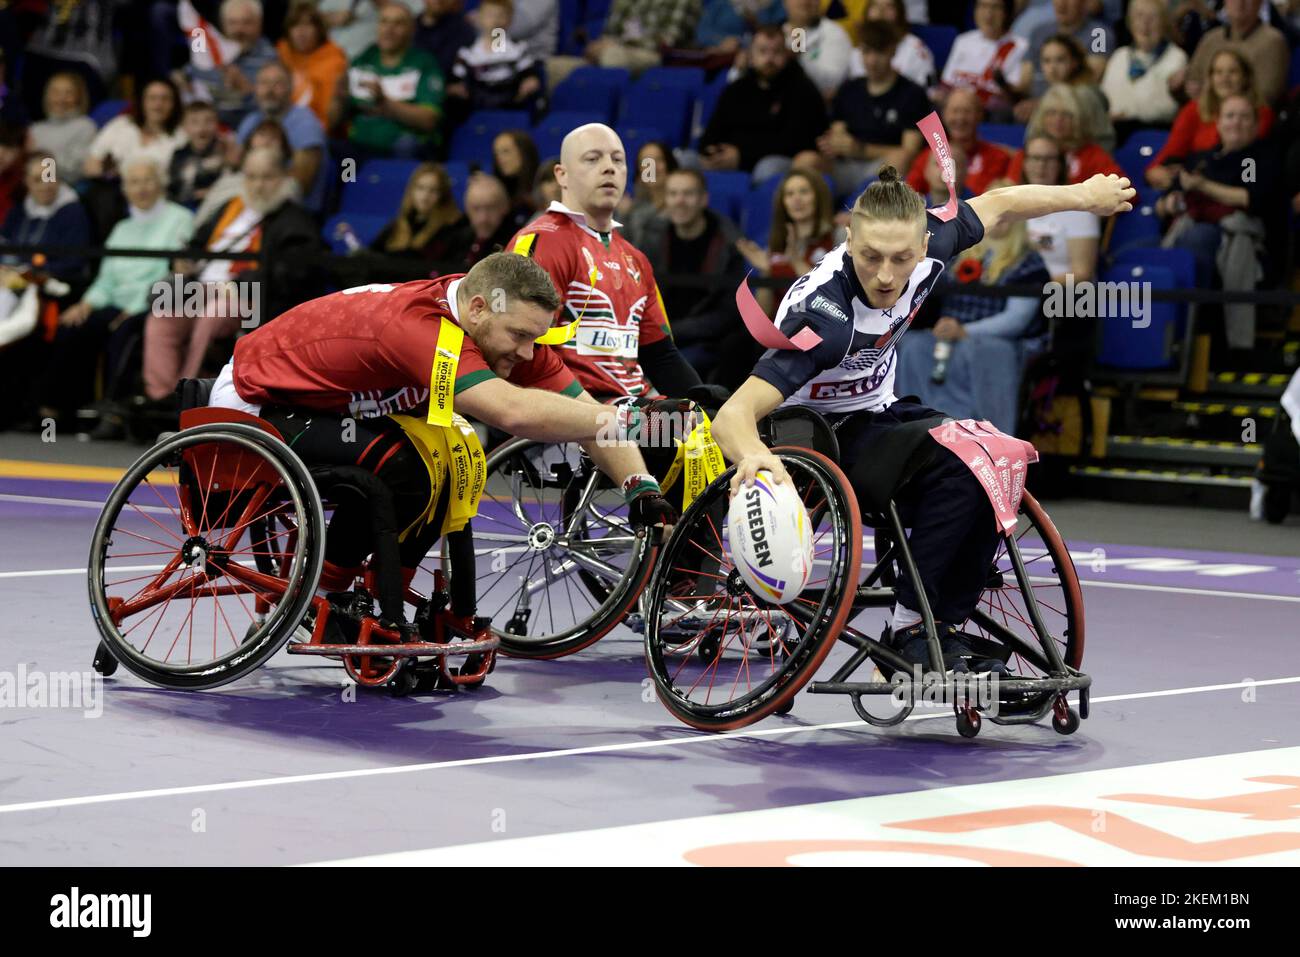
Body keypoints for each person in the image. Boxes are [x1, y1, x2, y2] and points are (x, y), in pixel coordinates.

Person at [710, 163, 1134, 674]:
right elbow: (733, 415)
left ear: (924, 242)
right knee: (962, 464)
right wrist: (755, 457)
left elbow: (1000, 202)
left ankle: (943, 623)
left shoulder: (936, 243)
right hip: (818, 435)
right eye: (870, 257)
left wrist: (1084, 195)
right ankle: (912, 628)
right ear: (848, 239)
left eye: (901, 258)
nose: (887, 275)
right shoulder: (824, 316)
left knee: (995, 454)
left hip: (879, 412)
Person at [205, 251, 681, 629]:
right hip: (256, 398)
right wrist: (631, 421)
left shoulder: (509, 331)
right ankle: (326, 592)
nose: (528, 351)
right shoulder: (420, 328)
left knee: (454, 460)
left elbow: (587, 417)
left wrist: (640, 484)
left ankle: (377, 592)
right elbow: (511, 412)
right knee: (402, 463)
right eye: (520, 335)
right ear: (478, 307)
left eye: (535, 338)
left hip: (333, 404)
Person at [506, 123, 702, 401]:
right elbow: (520, 348)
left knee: (705, 435)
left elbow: (660, 356)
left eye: (618, 160)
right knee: (669, 435)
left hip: (632, 414)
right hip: (569, 419)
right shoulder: (542, 241)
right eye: (593, 158)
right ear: (562, 175)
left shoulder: (636, 259)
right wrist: (600, 412)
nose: (609, 167)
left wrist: (707, 406)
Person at [33, 155, 194, 431]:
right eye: (134, 182)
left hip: (153, 303)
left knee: (124, 333)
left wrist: (131, 308)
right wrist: (87, 303)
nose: (141, 188)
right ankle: (58, 410)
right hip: (114, 301)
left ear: (160, 184)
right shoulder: (122, 228)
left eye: (147, 180)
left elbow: (173, 275)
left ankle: (115, 412)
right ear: (125, 189)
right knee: (74, 325)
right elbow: (106, 277)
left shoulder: (180, 219)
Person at [895, 186, 1051, 435]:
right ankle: (917, 427)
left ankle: (988, 433)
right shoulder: (960, 255)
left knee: (982, 350)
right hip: (949, 331)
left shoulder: (1029, 262)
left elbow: (1016, 320)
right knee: (913, 345)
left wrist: (964, 331)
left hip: (997, 338)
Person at [640, 168, 750, 386]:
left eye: (688, 194)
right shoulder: (652, 237)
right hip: (658, 336)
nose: (680, 201)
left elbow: (729, 312)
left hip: (706, 340)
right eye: (673, 194)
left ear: (703, 199)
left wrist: (673, 331)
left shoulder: (728, 243)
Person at [693, 24, 829, 183]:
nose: (769, 59)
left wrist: (741, 156)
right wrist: (712, 151)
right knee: (687, 161)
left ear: (786, 54)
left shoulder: (802, 89)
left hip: (780, 161)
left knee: (767, 169)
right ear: (750, 55)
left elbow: (794, 143)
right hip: (731, 158)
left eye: (776, 52)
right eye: (763, 51)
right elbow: (712, 131)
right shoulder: (736, 89)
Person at [815, 19, 928, 197]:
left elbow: (909, 151)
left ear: (893, 51)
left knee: (898, 160)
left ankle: (865, 214)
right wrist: (834, 143)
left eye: (879, 52)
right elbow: (838, 135)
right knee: (808, 161)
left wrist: (862, 149)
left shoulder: (912, 94)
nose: (872, 60)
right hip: (846, 166)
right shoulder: (848, 89)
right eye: (866, 52)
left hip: (883, 168)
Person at [1146, 48, 1274, 190]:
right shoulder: (1194, 109)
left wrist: (1202, 181)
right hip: (1194, 183)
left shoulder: (1260, 113)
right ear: (1211, 78)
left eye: (1233, 72)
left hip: (1237, 183)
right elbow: (1170, 154)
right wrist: (1158, 171)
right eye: (1218, 72)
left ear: (1245, 77)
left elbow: (1246, 158)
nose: (1225, 78)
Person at [331, 1, 446, 161]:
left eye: (398, 23)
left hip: (401, 150)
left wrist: (386, 105)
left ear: (411, 30)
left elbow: (429, 120)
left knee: (407, 147)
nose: (389, 30)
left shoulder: (424, 64)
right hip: (358, 150)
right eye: (384, 22)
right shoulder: (363, 60)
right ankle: (350, 184)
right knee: (336, 155)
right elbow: (333, 122)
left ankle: (396, 184)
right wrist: (338, 98)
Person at [236, 61, 328, 212]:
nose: (270, 90)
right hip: (251, 204)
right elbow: (235, 166)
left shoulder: (305, 122)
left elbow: (300, 185)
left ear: (291, 88)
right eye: (264, 83)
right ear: (255, 88)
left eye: (278, 84)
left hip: (294, 213)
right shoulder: (251, 120)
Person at [174, 0, 278, 127]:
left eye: (247, 23)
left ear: (259, 24)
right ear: (223, 25)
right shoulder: (210, 49)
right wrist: (181, 79)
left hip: (252, 128)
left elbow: (276, 108)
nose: (240, 30)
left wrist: (247, 91)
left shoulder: (270, 58)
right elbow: (192, 71)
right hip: (208, 128)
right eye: (233, 23)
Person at [1100, 0, 1187, 144]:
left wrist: (1128, 114)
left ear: (1163, 23)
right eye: (1139, 16)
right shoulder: (1119, 55)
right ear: (1130, 22)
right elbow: (1104, 98)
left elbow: (1168, 108)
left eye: (1152, 17)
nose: (1145, 23)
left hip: (1155, 134)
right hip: (1114, 133)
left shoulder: (1176, 57)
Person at [1018, 134, 1099, 284]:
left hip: (1062, 295)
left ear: (1061, 164)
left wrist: (1034, 285)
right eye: (1035, 158)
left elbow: (1083, 273)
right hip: (1014, 291)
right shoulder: (1012, 202)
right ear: (1024, 163)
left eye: (1049, 159)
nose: (1041, 166)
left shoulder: (1078, 209)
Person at [1175, 0, 1289, 106]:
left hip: (1245, 119)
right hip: (1202, 112)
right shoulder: (1211, 38)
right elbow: (1192, 80)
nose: (1239, 3)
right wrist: (1179, 87)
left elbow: (1267, 95)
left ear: (1259, 3)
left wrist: (1210, 95)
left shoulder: (1272, 41)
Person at [1006, 84, 1123, 184]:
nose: (1058, 120)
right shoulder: (1030, 153)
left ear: (1078, 119)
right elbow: (1009, 191)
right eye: (1051, 113)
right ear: (1041, 117)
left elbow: (1124, 190)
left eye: (1066, 114)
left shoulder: (1093, 155)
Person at [445, 0, 544, 118]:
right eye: (490, 15)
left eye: (501, 15)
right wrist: (455, 88)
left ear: (510, 20)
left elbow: (530, 73)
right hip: (477, 105)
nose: (495, 20)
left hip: (510, 104)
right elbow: (456, 79)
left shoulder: (518, 49)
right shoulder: (467, 53)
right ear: (478, 18)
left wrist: (530, 80)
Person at [902, 89, 1009, 197]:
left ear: (980, 115)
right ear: (944, 115)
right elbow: (908, 197)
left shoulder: (998, 157)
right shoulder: (930, 156)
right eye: (954, 111)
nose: (960, 118)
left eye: (967, 111)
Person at [939, 0, 1028, 118]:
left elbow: (1012, 97)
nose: (988, 14)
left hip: (990, 112)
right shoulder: (963, 40)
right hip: (956, 107)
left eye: (996, 7)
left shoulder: (1020, 46)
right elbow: (947, 84)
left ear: (1007, 12)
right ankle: (936, 138)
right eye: (983, 6)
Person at [584, 0, 702, 78]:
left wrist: (616, 45)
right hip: (626, 49)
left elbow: (668, 42)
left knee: (612, 56)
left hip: (659, 56)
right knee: (565, 65)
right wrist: (602, 44)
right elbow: (619, 32)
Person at [277, 1, 350, 127]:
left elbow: (331, 121)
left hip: (318, 130)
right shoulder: (282, 52)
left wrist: (338, 99)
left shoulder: (334, 60)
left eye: (308, 25)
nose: (301, 32)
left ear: (319, 30)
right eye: (295, 25)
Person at [848, 0, 937, 91]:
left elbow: (931, 90)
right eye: (875, 5)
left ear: (899, 13)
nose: (880, 11)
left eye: (889, 6)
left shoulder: (915, 48)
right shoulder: (857, 49)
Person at [28, 72, 97, 188]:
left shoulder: (85, 126)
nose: (61, 98)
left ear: (78, 97)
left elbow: (74, 171)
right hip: (33, 194)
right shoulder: (36, 129)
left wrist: (37, 154)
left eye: (68, 93)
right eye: (56, 92)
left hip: (67, 193)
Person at [437, 172, 517, 271]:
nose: (483, 218)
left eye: (490, 208)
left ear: (504, 207)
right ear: (467, 209)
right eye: (476, 208)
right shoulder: (456, 239)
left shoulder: (516, 242)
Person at [781, 0, 853, 99]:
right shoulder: (776, 34)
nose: (805, 2)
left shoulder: (833, 33)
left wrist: (798, 57)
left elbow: (831, 83)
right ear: (785, 2)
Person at [168, 102, 229, 209]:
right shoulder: (178, 155)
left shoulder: (225, 153)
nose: (202, 128)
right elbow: (173, 189)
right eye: (194, 122)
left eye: (208, 121)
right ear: (184, 127)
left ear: (217, 124)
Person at [619, 140, 675, 248]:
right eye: (646, 162)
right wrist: (624, 216)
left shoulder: (681, 204)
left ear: (669, 164)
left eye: (659, 160)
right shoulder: (632, 209)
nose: (652, 168)